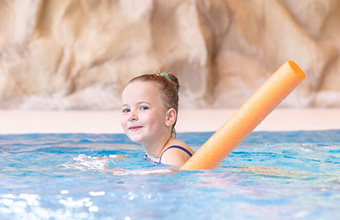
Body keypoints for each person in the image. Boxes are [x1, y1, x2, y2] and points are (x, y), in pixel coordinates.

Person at [120, 72, 194, 166]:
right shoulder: (157, 153)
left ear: (169, 117)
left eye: (143, 108)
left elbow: (171, 177)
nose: (131, 117)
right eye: (126, 110)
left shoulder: (172, 154)